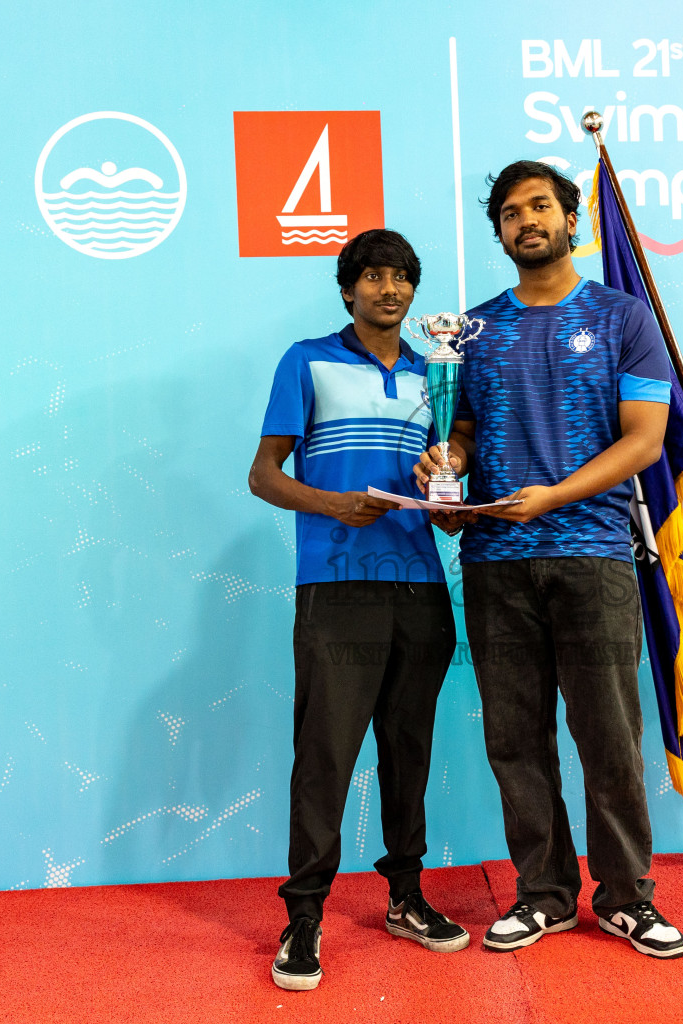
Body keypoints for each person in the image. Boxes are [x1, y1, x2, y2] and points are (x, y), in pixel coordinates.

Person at [417, 160, 683, 958]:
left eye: (541, 206)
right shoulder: (470, 330)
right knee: (515, 738)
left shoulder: (621, 317)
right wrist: (444, 461)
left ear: (573, 219)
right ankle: (543, 894)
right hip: (496, 557)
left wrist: (554, 495)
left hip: (592, 552)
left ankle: (627, 898)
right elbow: (458, 431)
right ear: (498, 231)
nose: (526, 220)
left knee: (608, 734)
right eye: (510, 211)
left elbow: (643, 440)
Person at [249, 229, 469, 992]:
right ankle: (303, 916)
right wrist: (330, 505)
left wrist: (453, 506)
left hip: (421, 589)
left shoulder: (436, 373)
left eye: (402, 277)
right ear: (348, 289)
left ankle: (406, 898)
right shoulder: (306, 360)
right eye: (373, 276)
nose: (390, 289)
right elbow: (264, 475)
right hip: (336, 587)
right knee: (326, 757)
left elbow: (447, 488)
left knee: (408, 753)